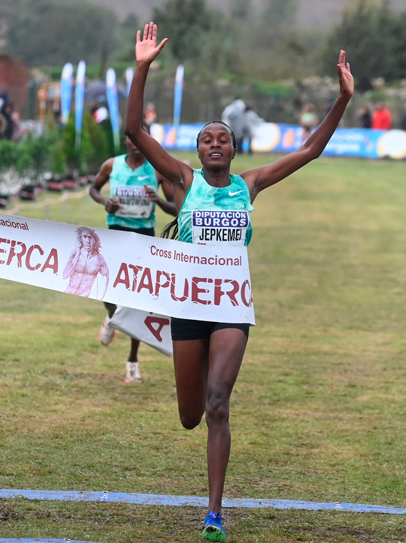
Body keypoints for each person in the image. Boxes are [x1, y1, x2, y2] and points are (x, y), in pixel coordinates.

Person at [126, 23, 353, 541]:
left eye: (222, 139)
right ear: (198, 149)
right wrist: (141, 69)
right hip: (187, 304)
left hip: (231, 307)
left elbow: (311, 149)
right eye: (206, 139)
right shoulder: (183, 180)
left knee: (217, 404)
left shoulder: (251, 184)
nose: (214, 144)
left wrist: (341, 100)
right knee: (188, 416)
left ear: (232, 148)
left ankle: (213, 513)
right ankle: (207, 480)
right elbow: (135, 130)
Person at [89, 125, 176, 383]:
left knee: (139, 303)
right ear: (125, 139)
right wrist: (104, 201)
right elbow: (93, 189)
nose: (135, 142)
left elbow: (176, 208)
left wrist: (158, 200)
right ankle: (112, 316)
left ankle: (133, 362)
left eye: (142, 136)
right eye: (130, 136)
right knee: (105, 288)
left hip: (143, 239)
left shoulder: (158, 170)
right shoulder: (111, 165)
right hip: (115, 233)